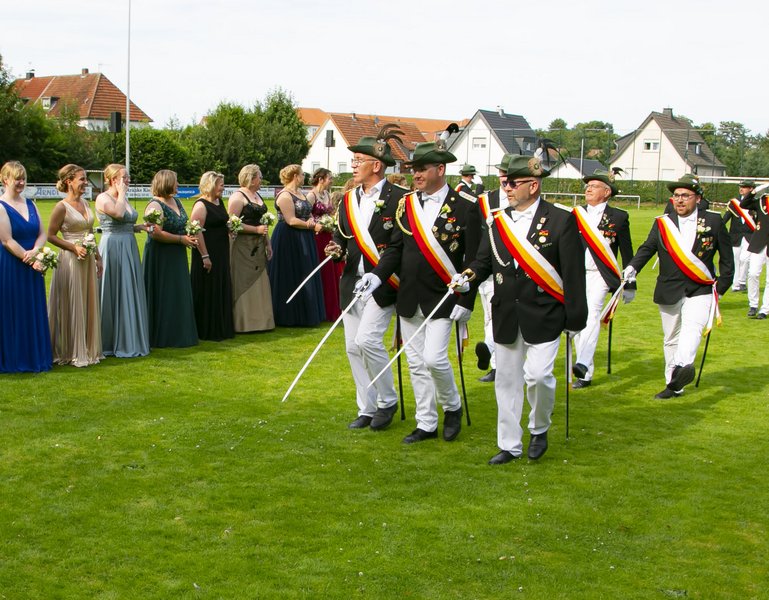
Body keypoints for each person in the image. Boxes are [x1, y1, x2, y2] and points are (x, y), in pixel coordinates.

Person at [462, 155, 587, 464]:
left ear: (533, 185)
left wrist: (576, 317)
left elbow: (573, 273)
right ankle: (509, 444)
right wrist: (467, 278)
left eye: (512, 183)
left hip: (545, 311)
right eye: (504, 182)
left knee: (539, 376)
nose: (506, 188)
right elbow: (483, 261)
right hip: (506, 311)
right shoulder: (497, 221)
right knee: (506, 381)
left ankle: (539, 427)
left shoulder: (561, 219)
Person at [376, 140, 481, 444]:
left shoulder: (466, 206)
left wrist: (467, 300)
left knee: (434, 359)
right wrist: (377, 275)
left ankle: (452, 406)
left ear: (441, 169)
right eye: (413, 169)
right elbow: (395, 249)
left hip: (444, 296)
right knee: (416, 363)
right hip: (409, 295)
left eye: (422, 169)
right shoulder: (406, 204)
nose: (416, 175)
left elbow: (475, 259)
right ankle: (426, 422)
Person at [323, 126, 408, 430]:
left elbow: (399, 245)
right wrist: (336, 248)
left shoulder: (400, 199)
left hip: (383, 284)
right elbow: (342, 236)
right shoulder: (347, 200)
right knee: (352, 347)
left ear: (377, 165)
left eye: (359, 160)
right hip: (351, 282)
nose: (354, 165)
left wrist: (378, 275)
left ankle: (388, 401)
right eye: (354, 160)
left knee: (367, 340)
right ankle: (367, 407)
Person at [626, 174, 733, 399]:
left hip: (701, 288)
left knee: (692, 330)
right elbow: (648, 248)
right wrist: (632, 268)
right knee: (671, 338)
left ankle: (681, 370)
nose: (680, 200)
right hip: (669, 288)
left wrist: (721, 287)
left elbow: (727, 258)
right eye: (676, 196)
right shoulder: (662, 223)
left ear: (698, 198)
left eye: (685, 195)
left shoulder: (714, 221)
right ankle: (673, 383)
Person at [571, 170, 636, 389]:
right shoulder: (576, 214)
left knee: (592, 315)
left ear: (607, 192)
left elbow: (627, 252)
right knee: (577, 318)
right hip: (577, 274)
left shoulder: (619, 217)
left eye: (594, 186)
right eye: (587, 185)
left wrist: (630, 284)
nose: (588, 189)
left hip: (601, 274)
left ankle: (583, 366)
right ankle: (583, 366)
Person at [47, 164, 103, 367]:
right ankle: (70, 350)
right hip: (70, 260)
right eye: (82, 179)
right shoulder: (61, 207)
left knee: (87, 301)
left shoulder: (86, 203)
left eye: (85, 178)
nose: (86, 183)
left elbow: (90, 232)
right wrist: (73, 247)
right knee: (72, 301)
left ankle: (87, 347)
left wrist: (98, 257)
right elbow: (50, 235)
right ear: (69, 181)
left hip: (87, 259)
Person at [0, 161, 53, 373]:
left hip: (33, 263)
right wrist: (30, 258)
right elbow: (6, 240)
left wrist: (37, 250)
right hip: (12, 265)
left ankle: (34, 356)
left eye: (23, 178)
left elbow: (42, 233)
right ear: (5, 180)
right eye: (17, 179)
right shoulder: (1, 206)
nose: (21, 182)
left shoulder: (31, 204)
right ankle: (15, 358)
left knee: (33, 308)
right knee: (14, 309)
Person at [96, 164, 150, 358]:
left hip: (129, 245)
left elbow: (125, 221)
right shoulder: (103, 198)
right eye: (124, 177)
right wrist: (121, 193)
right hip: (112, 247)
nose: (128, 180)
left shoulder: (122, 197)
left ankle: (129, 336)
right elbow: (118, 214)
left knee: (128, 287)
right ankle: (108, 340)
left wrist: (139, 227)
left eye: (128, 177)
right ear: (113, 180)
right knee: (112, 289)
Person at [142, 169, 199, 348]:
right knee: (165, 293)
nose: (178, 184)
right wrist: (181, 239)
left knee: (178, 292)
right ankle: (163, 336)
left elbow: (182, 223)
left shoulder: (177, 201)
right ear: (166, 183)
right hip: (161, 255)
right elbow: (155, 233)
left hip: (177, 254)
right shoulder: (155, 205)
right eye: (176, 181)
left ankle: (178, 333)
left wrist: (189, 234)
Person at [268, 164, 325, 327]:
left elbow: (307, 213)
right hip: (289, 238)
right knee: (291, 273)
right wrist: (311, 226)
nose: (304, 177)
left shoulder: (300, 193)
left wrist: (312, 221)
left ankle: (306, 312)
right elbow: (291, 220)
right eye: (302, 174)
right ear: (295, 176)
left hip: (304, 236)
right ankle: (289, 315)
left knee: (305, 270)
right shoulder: (284, 195)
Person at [474, 153, 512, 383]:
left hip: (514, 270)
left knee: (502, 315)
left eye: (509, 175)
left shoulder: (524, 199)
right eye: (502, 174)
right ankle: (496, 364)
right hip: (488, 269)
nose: (505, 180)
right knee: (489, 317)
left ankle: (492, 352)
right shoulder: (485, 201)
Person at [228, 164, 275, 333]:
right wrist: (255, 230)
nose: (261, 180)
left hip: (259, 244)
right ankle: (244, 322)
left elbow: (264, 224)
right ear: (251, 178)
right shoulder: (237, 197)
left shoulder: (257, 195)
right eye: (260, 177)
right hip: (243, 246)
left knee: (260, 280)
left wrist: (268, 243)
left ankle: (261, 321)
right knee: (244, 280)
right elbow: (232, 224)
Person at [189, 171, 235, 341]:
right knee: (208, 287)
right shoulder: (201, 205)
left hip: (221, 251)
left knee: (220, 284)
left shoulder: (218, 201)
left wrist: (230, 229)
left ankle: (220, 326)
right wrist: (205, 256)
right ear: (211, 185)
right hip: (207, 251)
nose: (223, 188)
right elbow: (196, 231)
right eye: (221, 185)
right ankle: (205, 328)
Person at [307, 167, 341, 321]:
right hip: (317, 237)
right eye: (329, 178)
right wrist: (318, 224)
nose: (331, 181)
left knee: (330, 270)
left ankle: (332, 308)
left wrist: (332, 222)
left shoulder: (327, 194)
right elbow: (307, 216)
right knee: (321, 270)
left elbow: (331, 212)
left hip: (328, 235)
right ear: (321, 179)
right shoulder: (311, 196)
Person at [740, 183, 769, 319]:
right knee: (752, 274)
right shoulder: (762, 200)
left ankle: (765, 309)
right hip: (759, 242)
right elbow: (743, 204)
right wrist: (755, 191)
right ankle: (753, 304)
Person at [722, 180, 756, 292]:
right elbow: (726, 218)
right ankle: (736, 285)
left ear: (751, 189)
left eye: (744, 187)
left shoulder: (755, 202)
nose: (741, 189)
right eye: (740, 187)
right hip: (735, 236)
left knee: (744, 259)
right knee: (735, 260)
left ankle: (742, 281)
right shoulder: (734, 203)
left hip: (749, 236)